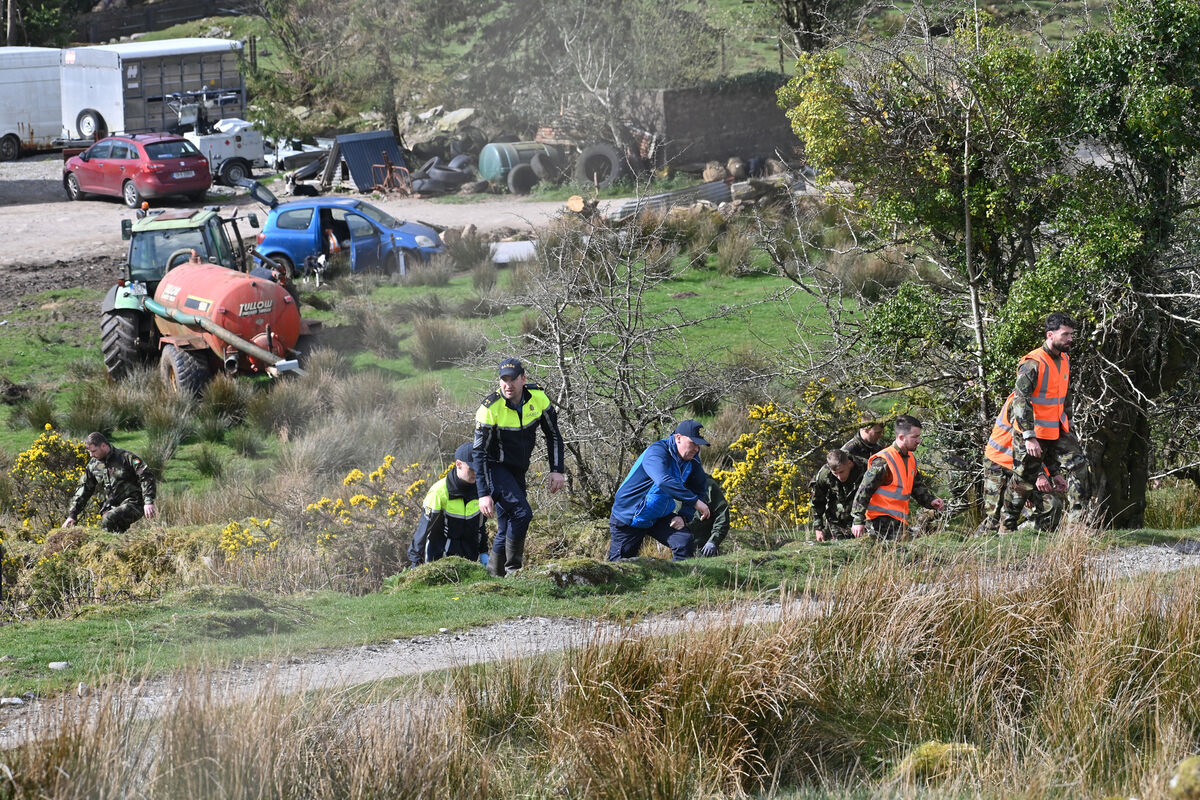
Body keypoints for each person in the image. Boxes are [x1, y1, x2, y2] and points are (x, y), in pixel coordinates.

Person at [982, 311, 1088, 533]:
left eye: (1072, 334)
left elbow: (1064, 401)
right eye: (1066, 334)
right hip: (1031, 433)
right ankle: (1006, 526)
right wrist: (1029, 436)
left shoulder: (1066, 360)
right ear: (1050, 335)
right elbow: (1020, 401)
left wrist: (1068, 430)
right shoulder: (1032, 362)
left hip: (1056, 431)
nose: (1071, 339)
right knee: (1024, 481)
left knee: (1079, 466)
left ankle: (1077, 525)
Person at [473, 357, 565, 576]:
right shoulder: (489, 408)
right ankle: (514, 571)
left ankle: (494, 577)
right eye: (503, 380)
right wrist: (483, 493)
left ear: (523, 379)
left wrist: (557, 469)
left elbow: (553, 434)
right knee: (522, 514)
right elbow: (479, 453)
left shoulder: (538, 397)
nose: (508, 385)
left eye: (512, 379)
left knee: (507, 525)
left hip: (518, 470)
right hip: (494, 467)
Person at [608, 420, 712, 561]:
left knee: (684, 541)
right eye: (693, 443)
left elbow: (699, 489)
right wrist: (694, 502)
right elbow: (663, 480)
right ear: (678, 438)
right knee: (622, 565)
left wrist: (684, 516)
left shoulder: (693, 460)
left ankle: (680, 581)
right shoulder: (656, 452)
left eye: (699, 445)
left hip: (658, 515)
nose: (696, 449)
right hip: (630, 515)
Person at [978, 396, 1067, 535]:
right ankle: (982, 548)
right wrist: (1038, 475)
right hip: (999, 463)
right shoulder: (1018, 402)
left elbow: (1045, 445)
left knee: (1051, 506)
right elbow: (1021, 443)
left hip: (1027, 468)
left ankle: (1036, 545)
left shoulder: (1047, 403)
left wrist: (1054, 473)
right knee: (994, 517)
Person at [850, 415, 945, 540]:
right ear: (901, 437)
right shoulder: (883, 460)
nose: (919, 440)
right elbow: (864, 490)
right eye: (915, 437)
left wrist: (931, 501)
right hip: (878, 521)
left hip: (897, 521)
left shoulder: (911, 459)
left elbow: (916, 486)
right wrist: (858, 521)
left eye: (919, 436)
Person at [407, 442, 488, 566]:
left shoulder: (481, 491)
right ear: (458, 464)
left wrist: (484, 552)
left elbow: (480, 528)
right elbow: (423, 530)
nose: (476, 473)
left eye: (479, 468)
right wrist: (415, 562)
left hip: (469, 561)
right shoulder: (438, 492)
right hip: (440, 560)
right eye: (472, 469)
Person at [63, 432, 156, 533]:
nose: (91, 455)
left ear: (103, 445)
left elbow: (146, 476)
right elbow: (84, 489)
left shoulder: (127, 458)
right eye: (89, 452)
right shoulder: (93, 465)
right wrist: (72, 515)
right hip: (111, 507)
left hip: (135, 503)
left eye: (94, 451)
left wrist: (148, 501)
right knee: (110, 530)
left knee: (109, 518)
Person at [810, 448, 866, 542]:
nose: (839, 477)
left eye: (841, 472)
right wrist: (818, 528)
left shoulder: (865, 467)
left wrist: (860, 520)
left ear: (849, 463)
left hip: (862, 520)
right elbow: (817, 501)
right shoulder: (824, 474)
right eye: (835, 473)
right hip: (836, 521)